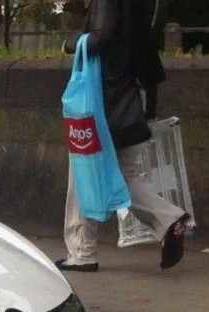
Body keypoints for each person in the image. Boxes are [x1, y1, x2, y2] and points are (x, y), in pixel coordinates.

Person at [57, 0, 193, 272]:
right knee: (125, 175)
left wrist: (69, 43)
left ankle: (82, 253)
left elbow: (99, 40)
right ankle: (170, 220)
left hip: (102, 100)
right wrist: (149, 103)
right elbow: (147, 51)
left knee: (84, 171)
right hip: (129, 99)